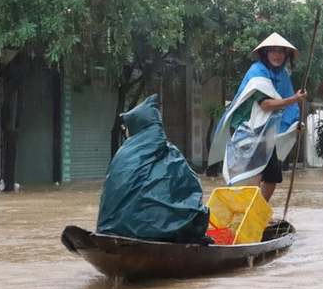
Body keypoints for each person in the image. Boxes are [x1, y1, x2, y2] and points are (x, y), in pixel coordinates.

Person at [97, 94, 210, 243]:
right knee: (197, 213)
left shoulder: (121, 154)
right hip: (156, 232)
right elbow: (191, 189)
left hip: (110, 229)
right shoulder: (171, 154)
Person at [208, 32, 307, 201]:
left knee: (272, 177)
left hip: (267, 136)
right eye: (273, 51)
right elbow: (266, 105)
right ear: (265, 53)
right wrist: (295, 99)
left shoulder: (283, 76)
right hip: (250, 132)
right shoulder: (257, 72)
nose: (277, 55)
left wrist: (295, 124)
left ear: (286, 55)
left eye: (281, 51)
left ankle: (256, 211)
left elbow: (288, 109)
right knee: (253, 174)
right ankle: (247, 212)